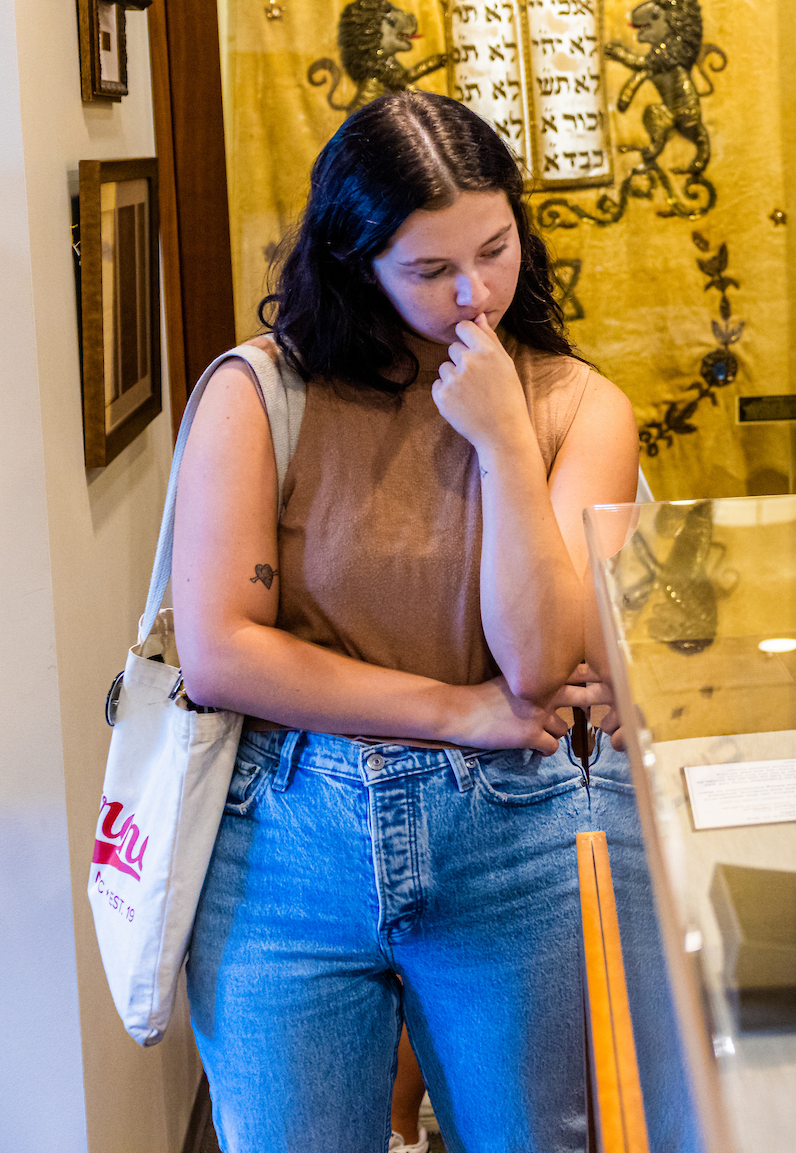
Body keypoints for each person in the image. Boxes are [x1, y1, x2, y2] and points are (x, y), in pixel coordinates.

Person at [171, 92, 652, 1149]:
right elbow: (219, 651)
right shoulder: (259, 394)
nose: (475, 291)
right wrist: (453, 709)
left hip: (512, 829)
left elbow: (538, 665)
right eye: (430, 270)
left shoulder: (578, 404)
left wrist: (506, 449)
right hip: (287, 825)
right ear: (354, 263)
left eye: (494, 248)